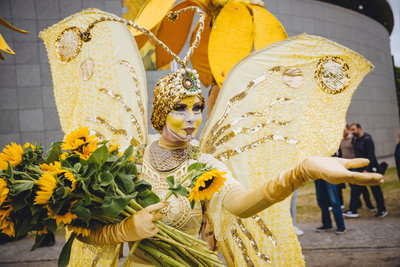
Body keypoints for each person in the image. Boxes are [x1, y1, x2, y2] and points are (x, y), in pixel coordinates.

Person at [39, 9, 383, 266]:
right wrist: (125, 230)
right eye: (180, 108)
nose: (191, 120)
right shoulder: (128, 160)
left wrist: (302, 170)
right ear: (160, 113)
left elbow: (242, 205)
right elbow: (86, 231)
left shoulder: (205, 164)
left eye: (197, 108)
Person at [343, 124, 388, 219]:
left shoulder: (368, 139)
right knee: (355, 188)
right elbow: (357, 155)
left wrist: (367, 170)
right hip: (359, 168)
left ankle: (382, 209)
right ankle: (352, 210)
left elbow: (371, 155)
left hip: (370, 168)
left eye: (354, 129)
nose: (352, 132)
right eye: (351, 130)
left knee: (375, 190)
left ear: (359, 129)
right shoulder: (355, 140)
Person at [339, 125, 375, 215]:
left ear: (348, 130)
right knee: (354, 187)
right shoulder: (341, 141)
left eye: (345, 130)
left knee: (360, 186)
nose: (343, 132)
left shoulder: (353, 140)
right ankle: (357, 204)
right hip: (347, 167)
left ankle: (368, 205)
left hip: (355, 165)